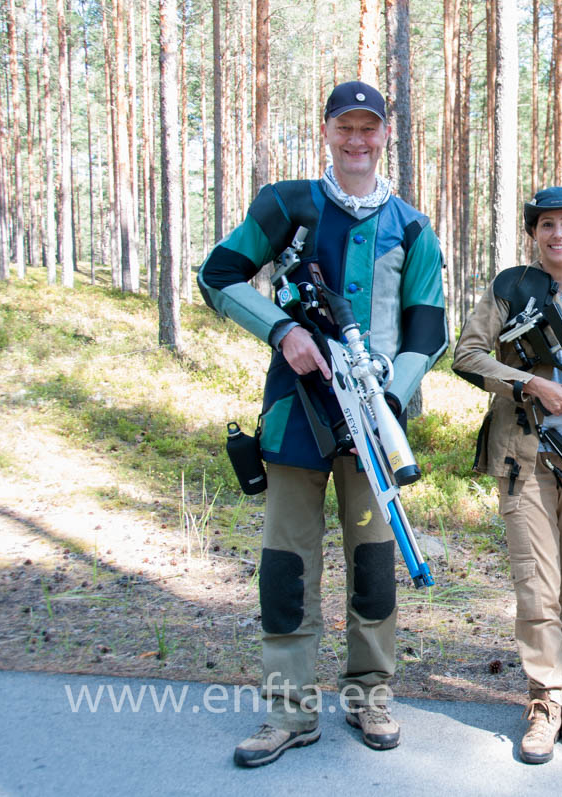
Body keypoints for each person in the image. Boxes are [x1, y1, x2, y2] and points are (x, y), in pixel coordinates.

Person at [197, 80, 447, 767]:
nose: (357, 139)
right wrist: (282, 331)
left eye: (369, 127)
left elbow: (430, 329)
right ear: (327, 131)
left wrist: (388, 397)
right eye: (346, 127)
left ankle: (370, 696)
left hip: (375, 428)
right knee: (286, 566)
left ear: (385, 134)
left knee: (374, 566)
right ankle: (289, 710)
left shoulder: (412, 227)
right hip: (296, 416)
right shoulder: (288, 204)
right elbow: (218, 275)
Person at [452, 187, 562, 764]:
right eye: (547, 225)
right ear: (534, 233)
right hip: (523, 458)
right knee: (537, 584)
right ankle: (544, 701)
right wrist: (530, 383)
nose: (558, 235)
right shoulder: (510, 288)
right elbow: (467, 355)